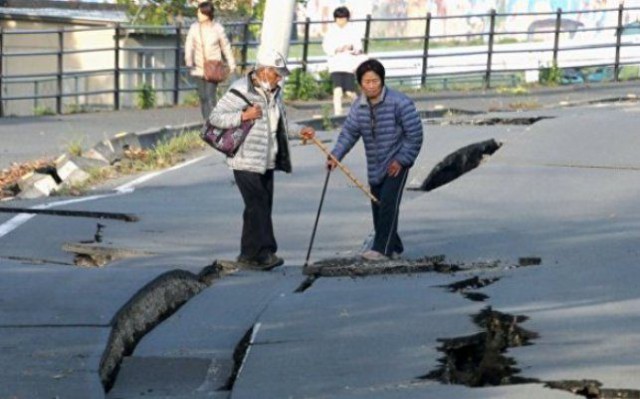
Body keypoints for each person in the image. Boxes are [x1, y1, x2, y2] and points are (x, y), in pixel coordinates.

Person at [209, 48, 315, 270]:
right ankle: (265, 252)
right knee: (258, 205)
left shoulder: (274, 94)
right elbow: (215, 118)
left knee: (258, 206)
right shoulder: (240, 90)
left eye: (281, 75)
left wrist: (300, 131)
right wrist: (243, 116)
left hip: (267, 159)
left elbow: (281, 125)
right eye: (277, 74)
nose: (280, 79)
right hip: (244, 159)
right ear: (264, 71)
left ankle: (248, 254)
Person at [327, 59, 423, 261]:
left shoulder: (400, 103)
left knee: (388, 203)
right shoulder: (358, 107)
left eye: (375, 81)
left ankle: (382, 249)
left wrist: (402, 159)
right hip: (375, 165)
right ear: (360, 84)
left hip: (397, 163)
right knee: (378, 205)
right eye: (366, 82)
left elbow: (414, 135)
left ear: (382, 81)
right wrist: (335, 155)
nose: (371, 86)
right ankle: (394, 245)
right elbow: (349, 134)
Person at [185, 1, 236, 120]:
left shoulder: (217, 29)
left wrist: (231, 63)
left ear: (206, 13)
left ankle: (214, 122)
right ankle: (207, 123)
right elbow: (189, 45)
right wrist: (188, 60)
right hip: (198, 68)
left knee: (210, 96)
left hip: (213, 68)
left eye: (199, 12)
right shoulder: (194, 28)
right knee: (203, 97)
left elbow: (226, 47)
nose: (197, 14)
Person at [322, 6, 363, 116]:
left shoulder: (353, 30)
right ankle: (338, 113)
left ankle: (359, 108)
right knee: (337, 90)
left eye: (343, 18)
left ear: (347, 18)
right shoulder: (331, 31)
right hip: (335, 65)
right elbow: (326, 46)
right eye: (338, 18)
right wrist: (336, 49)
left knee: (350, 92)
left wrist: (351, 47)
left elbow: (358, 46)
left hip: (348, 65)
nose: (341, 21)